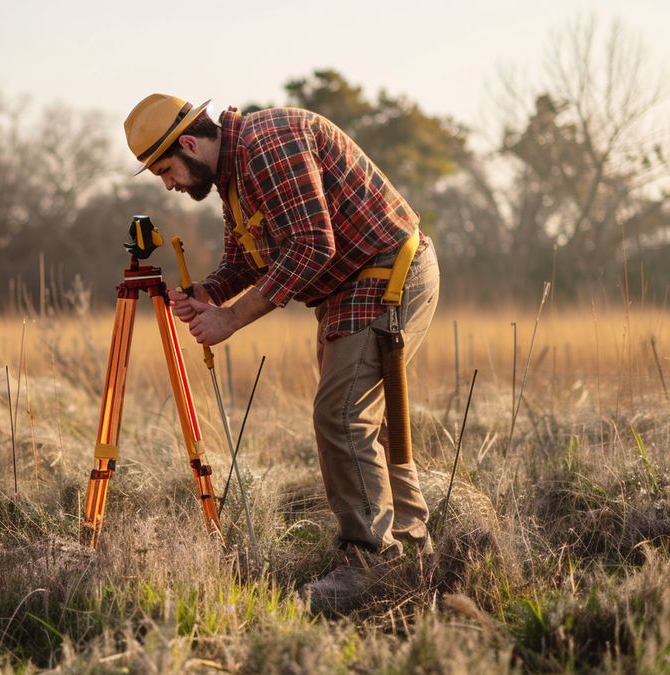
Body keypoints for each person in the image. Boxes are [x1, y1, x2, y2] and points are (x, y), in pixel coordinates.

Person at [123, 93, 440, 615]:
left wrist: (230, 319)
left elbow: (313, 246)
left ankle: (370, 562)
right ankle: (412, 546)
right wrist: (210, 293)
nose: (169, 184)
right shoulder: (234, 174)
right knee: (362, 419)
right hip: (350, 286)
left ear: (188, 144)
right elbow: (249, 258)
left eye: (166, 169)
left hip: (388, 274)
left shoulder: (269, 144)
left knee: (341, 415)